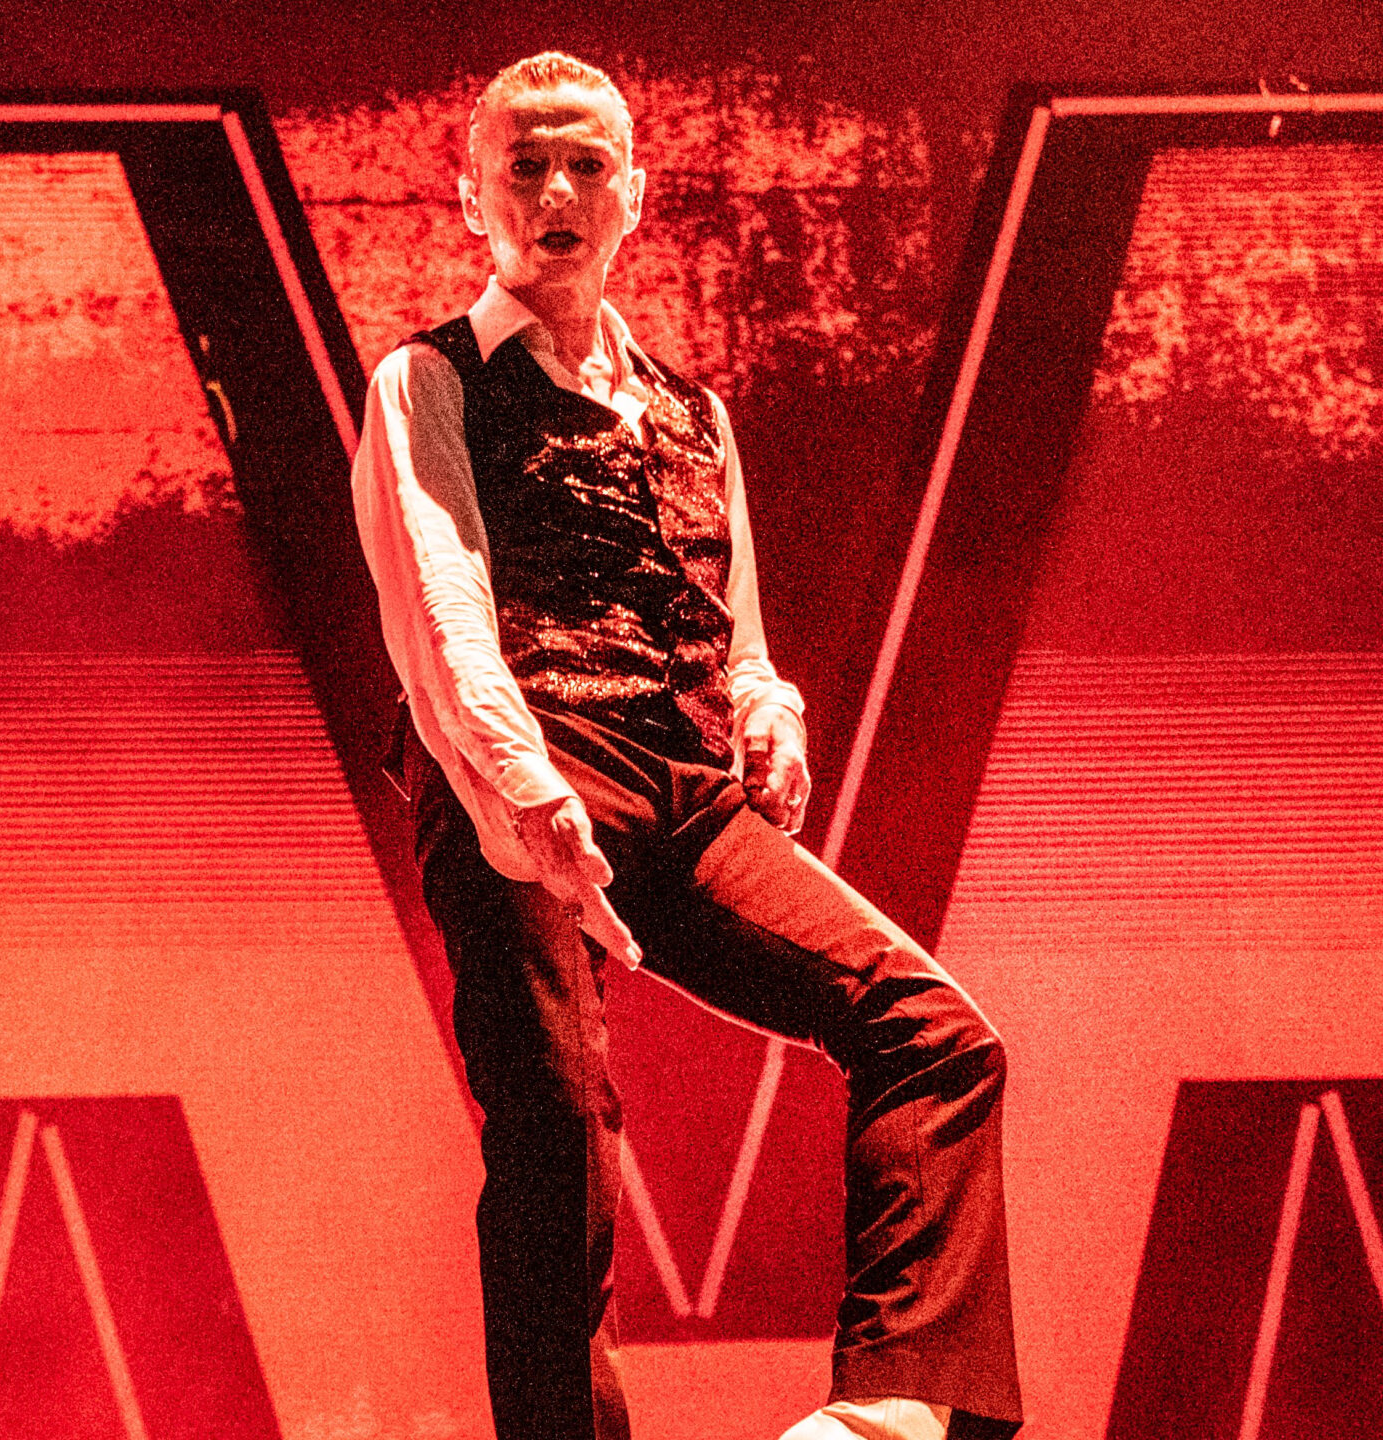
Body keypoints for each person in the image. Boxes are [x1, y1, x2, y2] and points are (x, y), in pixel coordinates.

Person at [350, 50, 1021, 1440]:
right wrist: (524, 787)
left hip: (681, 788)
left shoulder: (690, 412)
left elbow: (739, 639)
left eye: (585, 165)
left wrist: (771, 713)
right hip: (523, 766)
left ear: (633, 197)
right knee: (554, 1123)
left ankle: (891, 1407)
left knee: (936, 1035)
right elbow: (442, 606)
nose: (556, 190)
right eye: (525, 166)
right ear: (473, 199)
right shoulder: (429, 380)